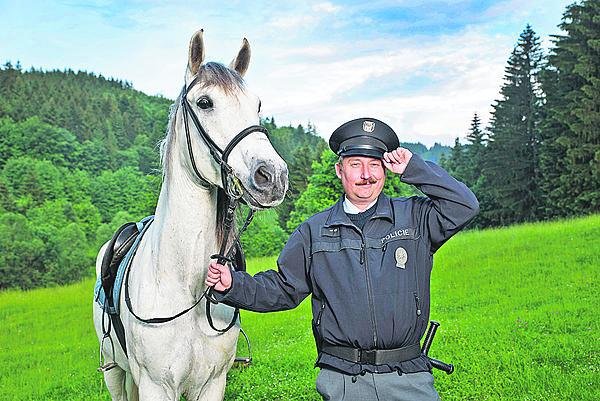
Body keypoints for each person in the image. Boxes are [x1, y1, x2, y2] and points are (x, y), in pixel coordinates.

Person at [206, 117, 479, 401]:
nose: (366, 174)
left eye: (375, 164)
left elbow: (464, 206)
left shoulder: (416, 217)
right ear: (339, 170)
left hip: (407, 377)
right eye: (355, 164)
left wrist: (414, 168)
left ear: (385, 169)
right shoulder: (313, 232)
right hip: (344, 382)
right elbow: (284, 288)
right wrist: (232, 285)